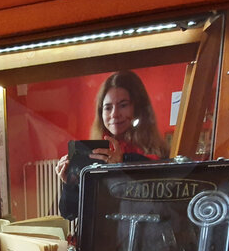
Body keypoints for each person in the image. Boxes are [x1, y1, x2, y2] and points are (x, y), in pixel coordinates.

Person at [57, 70, 169, 219]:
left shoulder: (156, 154)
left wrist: (121, 167)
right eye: (108, 107)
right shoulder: (94, 153)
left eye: (123, 105)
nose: (114, 114)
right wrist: (70, 184)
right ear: (101, 112)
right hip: (102, 232)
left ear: (138, 109)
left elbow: (161, 207)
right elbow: (70, 213)